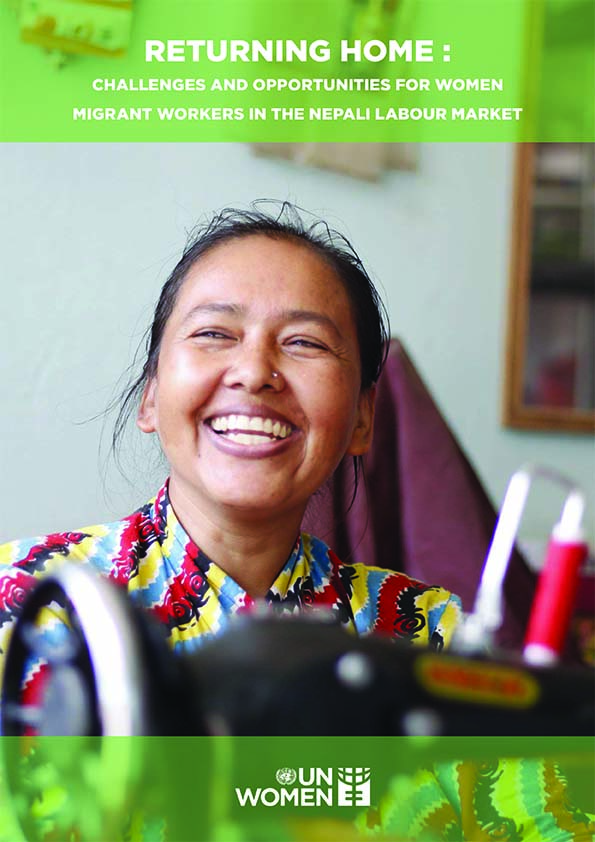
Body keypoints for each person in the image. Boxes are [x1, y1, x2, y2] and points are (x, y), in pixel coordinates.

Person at [0, 203, 461, 695]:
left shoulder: (429, 634)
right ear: (150, 396)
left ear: (363, 419)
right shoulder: (28, 601)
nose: (255, 372)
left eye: (305, 342)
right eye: (214, 334)